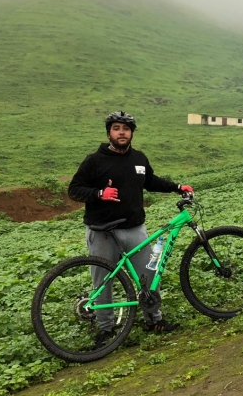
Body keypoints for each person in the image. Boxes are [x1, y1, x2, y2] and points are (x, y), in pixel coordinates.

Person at [68, 111, 193, 346]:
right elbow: (74, 189)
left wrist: (177, 187)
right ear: (109, 133)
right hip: (102, 231)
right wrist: (99, 194)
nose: (122, 132)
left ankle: (153, 319)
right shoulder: (94, 161)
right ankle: (105, 328)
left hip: (135, 229)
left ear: (131, 133)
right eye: (117, 128)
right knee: (103, 281)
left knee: (149, 275)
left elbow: (151, 181)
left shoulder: (139, 158)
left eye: (126, 129)